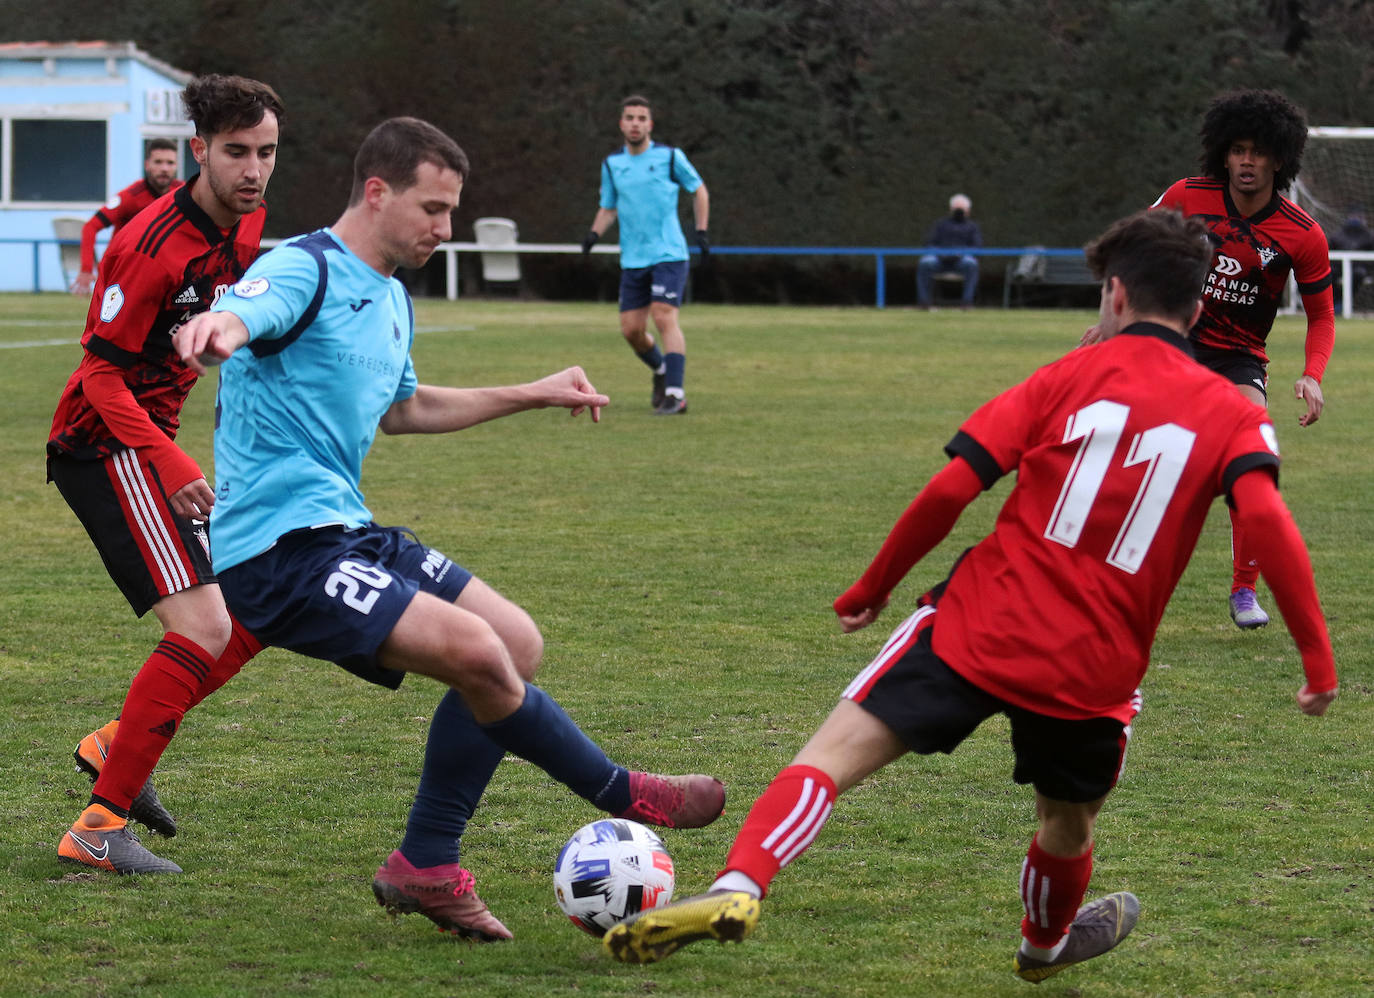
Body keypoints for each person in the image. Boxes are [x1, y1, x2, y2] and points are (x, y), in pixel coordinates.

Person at [603, 210, 1339, 982]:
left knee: (831, 757)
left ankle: (740, 883)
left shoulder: (1063, 376)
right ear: (1195, 310)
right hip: (1094, 667)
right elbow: (1266, 522)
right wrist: (1318, 663)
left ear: (1115, 295)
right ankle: (1043, 945)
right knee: (1066, 822)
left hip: (982, 621)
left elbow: (953, 487)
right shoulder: (1235, 412)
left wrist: (874, 586)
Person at [170, 116, 726, 939]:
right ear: (377, 191)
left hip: (344, 532)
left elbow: (405, 410)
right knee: (476, 655)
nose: (444, 227)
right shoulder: (302, 266)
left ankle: (424, 863)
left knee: (516, 641)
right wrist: (217, 329)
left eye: (451, 211)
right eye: (432, 208)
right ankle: (622, 792)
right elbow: (243, 314)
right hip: (277, 552)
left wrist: (532, 392)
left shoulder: (392, 297)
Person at [50, 75, 285, 875]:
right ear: (199, 152)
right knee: (204, 627)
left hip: (154, 442)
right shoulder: (148, 245)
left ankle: (116, 745)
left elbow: (220, 323)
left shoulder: (247, 226)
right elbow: (98, 378)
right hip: (104, 446)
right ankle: (98, 827)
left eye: (267, 152)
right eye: (236, 153)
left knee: (253, 604)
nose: (253, 170)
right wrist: (168, 458)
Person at [1144, 88, 1335, 631]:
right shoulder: (1187, 195)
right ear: (1222, 153)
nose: (1247, 162)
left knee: (1254, 459)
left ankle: (1244, 590)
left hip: (1238, 358)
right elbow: (1136, 244)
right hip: (1172, 341)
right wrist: (1117, 318)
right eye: (1238, 150)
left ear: (1280, 157)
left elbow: (1322, 317)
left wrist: (1311, 374)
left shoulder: (1303, 233)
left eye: (1258, 151)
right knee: (1144, 456)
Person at [581, 95, 709, 415]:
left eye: (641, 118)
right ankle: (663, 372)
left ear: (649, 124)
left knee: (663, 315)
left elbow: (699, 189)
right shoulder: (613, 165)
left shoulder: (669, 157)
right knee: (631, 331)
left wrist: (701, 230)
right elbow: (609, 206)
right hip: (633, 259)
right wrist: (594, 234)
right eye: (629, 118)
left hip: (669, 253)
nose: (635, 123)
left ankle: (676, 395)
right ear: (621, 124)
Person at [69, 138, 184, 297]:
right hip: (122, 272)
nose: (164, 168)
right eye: (158, 162)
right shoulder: (131, 197)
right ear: (147, 165)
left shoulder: (183, 194)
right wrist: (86, 270)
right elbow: (90, 227)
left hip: (161, 272)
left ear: (176, 165)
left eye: (170, 163)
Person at [916, 193, 982, 309]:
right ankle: (924, 303)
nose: (959, 212)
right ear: (951, 209)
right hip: (939, 260)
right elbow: (929, 243)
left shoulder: (973, 227)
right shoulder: (940, 225)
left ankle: (967, 303)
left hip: (961, 261)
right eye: (957, 208)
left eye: (962, 209)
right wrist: (941, 253)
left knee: (971, 265)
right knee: (925, 263)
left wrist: (961, 253)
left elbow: (977, 247)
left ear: (968, 210)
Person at [1328, 211, 1374, 308]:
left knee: (1358, 274)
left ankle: (1341, 302)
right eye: (1354, 216)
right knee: (1329, 274)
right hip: (1338, 268)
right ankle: (1336, 301)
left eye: (1358, 216)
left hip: (1358, 269)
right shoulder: (1338, 235)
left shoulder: (1368, 236)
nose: (1356, 219)